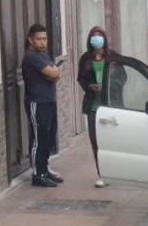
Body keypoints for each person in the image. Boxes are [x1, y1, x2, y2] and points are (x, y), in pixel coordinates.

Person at [21, 24, 64, 188]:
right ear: (31, 40)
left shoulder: (44, 56)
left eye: (45, 39)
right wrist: (54, 72)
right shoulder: (31, 57)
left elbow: (55, 75)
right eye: (39, 39)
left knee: (48, 137)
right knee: (39, 138)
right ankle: (37, 174)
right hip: (37, 103)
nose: (43, 42)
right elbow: (53, 73)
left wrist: (54, 73)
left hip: (49, 100)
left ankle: (44, 169)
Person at [74, 29, 115, 188]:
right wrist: (90, 87)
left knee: (110, 142)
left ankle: (113, 172)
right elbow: (81, 79)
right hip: (93, 106)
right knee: (95, 141)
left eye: (99, 37)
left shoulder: (113, 57)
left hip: (110, 105)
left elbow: (122, 77)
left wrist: (108, 87)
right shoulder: (86, 59)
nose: (97, 40)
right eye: (93, 37)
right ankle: (101, 174)